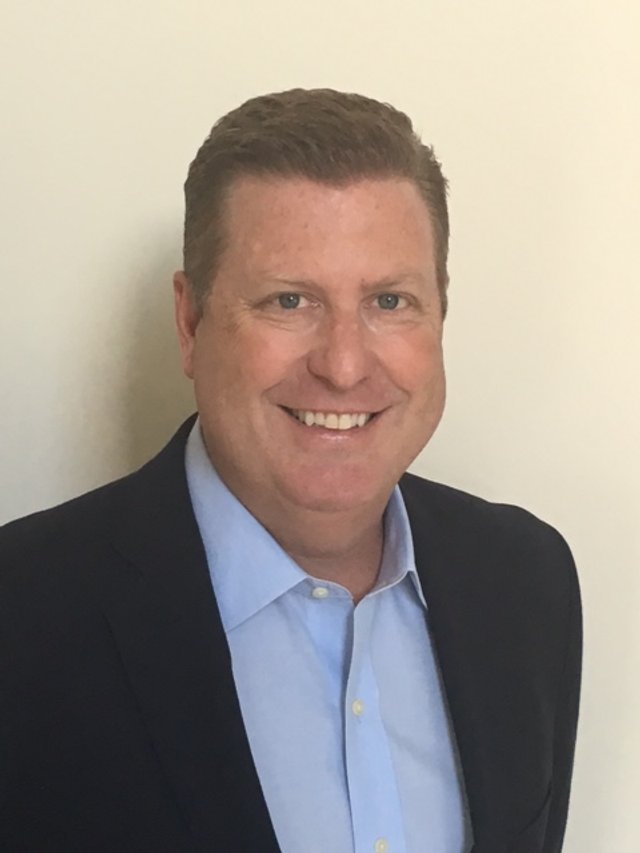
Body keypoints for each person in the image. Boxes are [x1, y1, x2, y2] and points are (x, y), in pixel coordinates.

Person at [0, 89, 581, 853]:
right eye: (289, 300)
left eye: (389, 300)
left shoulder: (527, 581)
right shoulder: (22, 615)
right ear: (190, 322)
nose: (343, 365)